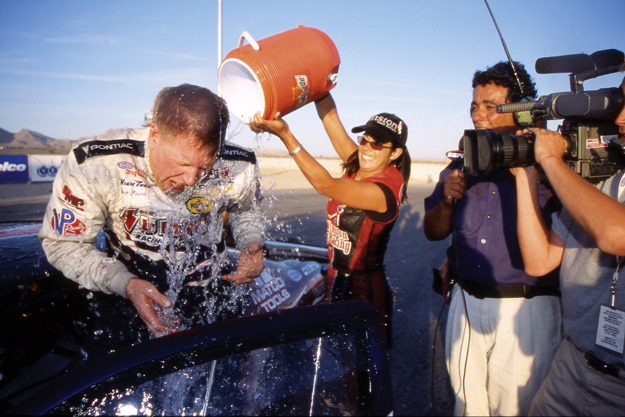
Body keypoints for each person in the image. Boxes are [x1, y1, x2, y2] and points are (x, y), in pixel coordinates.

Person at [39, 83, 265, 337]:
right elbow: (64, 244)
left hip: (212, 296)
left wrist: (251, 241)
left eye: (205, 167)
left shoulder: (238, 164)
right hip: (126, 297)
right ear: (155, 135)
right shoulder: (96, 162)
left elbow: (246, 211)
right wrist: (124, 283)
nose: (191, 179)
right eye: (181, 163)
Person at [423, 61, 562, 416]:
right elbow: (433, 231)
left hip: (525, 312)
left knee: (516, 408)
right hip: (465, 305)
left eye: (490, 106)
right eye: (474, 105)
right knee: (466, 406)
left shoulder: (551, 165)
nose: (478, 115)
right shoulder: (461, 164)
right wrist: (447, 202)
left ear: (521, 111)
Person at [249, 93, 410, 346]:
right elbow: (330, 117)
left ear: (395, 153)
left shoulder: (383, 192)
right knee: (337, 358)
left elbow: (325, 185)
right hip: (336, 280)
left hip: (364, 292)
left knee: (360, 364)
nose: (366, 149)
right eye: (364, 140)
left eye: (378, 145)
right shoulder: (360, 163)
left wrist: (286, 135)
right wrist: (318, 83)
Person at [513, 75, 625, 415]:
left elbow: (615, 234)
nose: (620, 116)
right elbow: (540, 260)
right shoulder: (606, 179)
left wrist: (552, 161)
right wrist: (526, 175)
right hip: (572, 364)